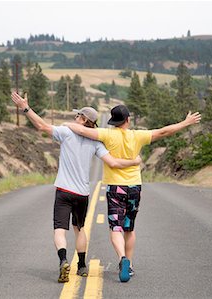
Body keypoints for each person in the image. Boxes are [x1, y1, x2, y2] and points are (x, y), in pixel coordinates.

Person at [11, 93, 141, 284]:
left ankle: (64, 260)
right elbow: (113, 163)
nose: (74, 118)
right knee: (79, 229)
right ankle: (81, 266)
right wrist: (134, 161)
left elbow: (41, 125)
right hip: (82, 194)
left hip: (64, 190)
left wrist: (25, 108)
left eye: (77, 115)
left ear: (83, 119)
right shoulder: (95, 142)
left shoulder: (66, 132)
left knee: (59, 229)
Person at [64, 104, 201, 282]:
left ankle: (122, 258)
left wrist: (66, 125)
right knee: (129, 228)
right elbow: (163, 132)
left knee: (116, 228)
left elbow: (82, 131)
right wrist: (185, 123)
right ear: (128, 119)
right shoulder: (138, 136)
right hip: (134, 186)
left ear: (113, 121)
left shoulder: (107, 134)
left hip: (115, 187)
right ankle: (129, 263)